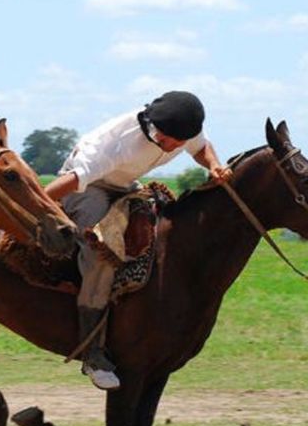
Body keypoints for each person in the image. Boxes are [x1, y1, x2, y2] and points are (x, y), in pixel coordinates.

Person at [43, 90, 233, 390]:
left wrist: (214, 165)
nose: (172, 147)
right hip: (86, 186)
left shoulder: (182, 128)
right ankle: (92, 355)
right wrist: (36, 207)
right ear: (152, 126)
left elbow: (201, 148)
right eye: (167, 139)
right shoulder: (115, 144)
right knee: (101, 255)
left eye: (178, 143)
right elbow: (72, 181)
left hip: (125, 185)